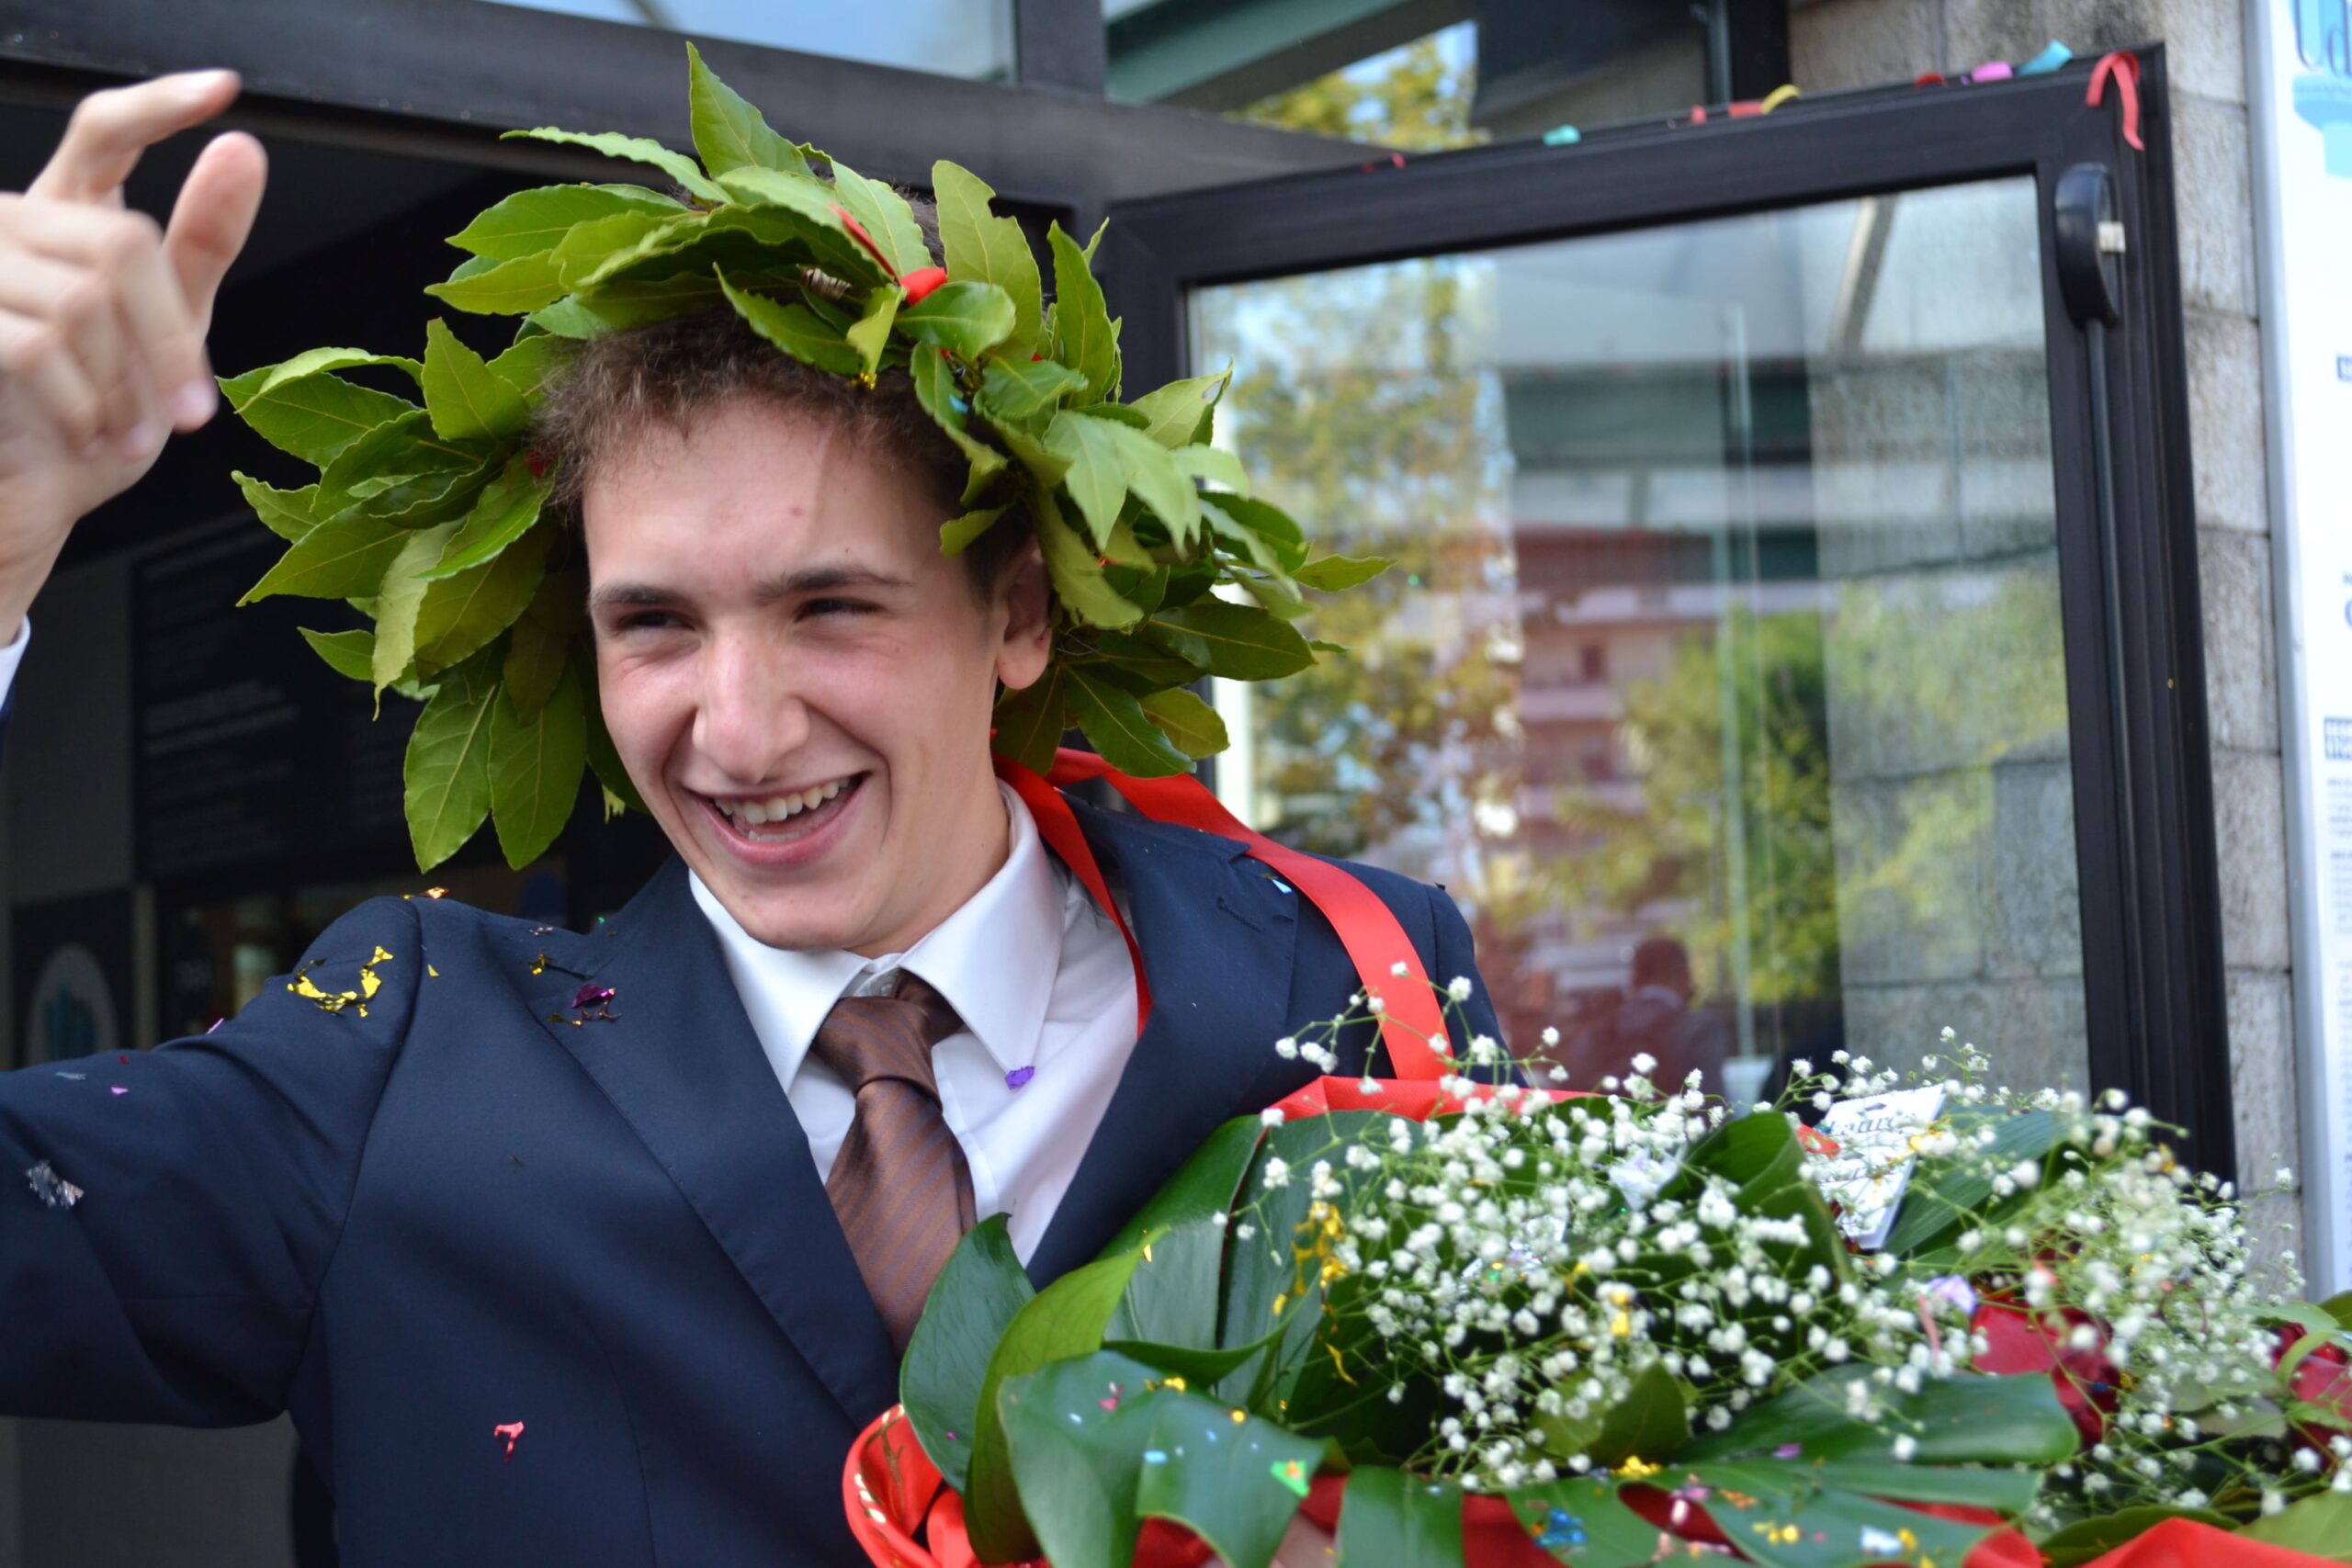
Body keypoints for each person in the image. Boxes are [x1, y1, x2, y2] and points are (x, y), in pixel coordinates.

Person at [0, 73, 1500, 1565]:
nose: (735, 725)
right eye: (654, 624)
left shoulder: (1350, 978)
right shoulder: (392, 1063)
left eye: (829, 605)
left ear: (1021, 607)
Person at [1566, 932, 1730, 1094]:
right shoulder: (1699, 1030)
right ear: (1682, 977)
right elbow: (1710, 1105)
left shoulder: (1595, 1032)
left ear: (1634, 979)